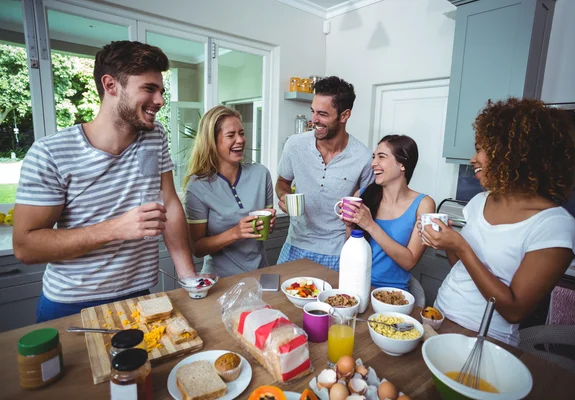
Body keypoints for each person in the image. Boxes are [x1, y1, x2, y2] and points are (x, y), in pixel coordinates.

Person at [12, 41, 197, 322]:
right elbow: (26, 246)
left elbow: (169, 203)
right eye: (149, 88)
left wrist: (189, 279)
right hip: (73, 304)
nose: (160, 100)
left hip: (141, 296)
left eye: (161, 90)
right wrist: (115, 229)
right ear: (111, 85)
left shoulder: (154, 136)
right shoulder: (50, 153)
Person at [421, 98, 575, 346]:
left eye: (481, 149)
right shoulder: (479, 202)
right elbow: (461, 269)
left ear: (515, 153)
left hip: (487, 340)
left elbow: (514, 310)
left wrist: (461, 245)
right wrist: (449, 245)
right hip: (440, 316)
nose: (473, 159)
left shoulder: (555, 225)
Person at [276, 76, 374, 270]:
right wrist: (285, 196)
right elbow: (282, 182)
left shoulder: (363, 158)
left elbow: (369, 206)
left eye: (322, 114)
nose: (314, 120)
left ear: (344, 115)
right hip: (295, 243)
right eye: (313, 111)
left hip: (337, 252)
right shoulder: (294, 145)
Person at [183, 106, 276, 277]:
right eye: (231, 135)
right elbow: (197, 248)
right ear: (212, 141)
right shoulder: (198, 187)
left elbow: (266, 231)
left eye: (241, 133)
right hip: (221, 280)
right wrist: (235, 233)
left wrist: (269, 225)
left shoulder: (261, 174)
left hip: (260, 273)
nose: (240, 140)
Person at [341, 135, 435, 290]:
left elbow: (409, 262)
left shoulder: (423, 204)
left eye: (381, 157)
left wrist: (370, 225)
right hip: (354, 284)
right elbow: (351, 250)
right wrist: (350, 226)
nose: (373, 164)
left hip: (392, 293)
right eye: (374, 157)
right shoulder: (361, 196)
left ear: (402, 164)